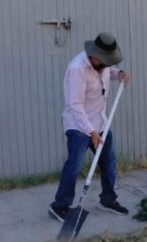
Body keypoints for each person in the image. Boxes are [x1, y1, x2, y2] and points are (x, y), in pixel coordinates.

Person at [48, 32, 131, 222]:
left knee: (108, 162)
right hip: (78, 125)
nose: (108, 63)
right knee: (74, 165)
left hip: (100, 121)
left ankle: (108, 200)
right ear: (95, 55)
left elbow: (108, 71)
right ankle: (59, 205)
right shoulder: (77, 69)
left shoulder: (103, 64)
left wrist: (119, 74)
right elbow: (75, 105)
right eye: (105, 59)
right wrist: (91, 132)